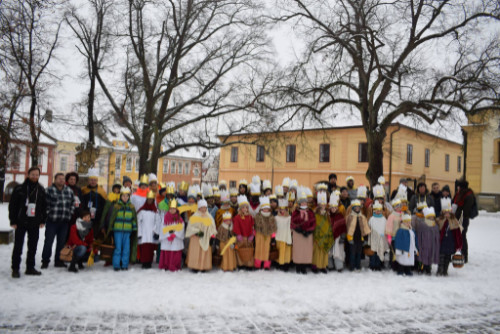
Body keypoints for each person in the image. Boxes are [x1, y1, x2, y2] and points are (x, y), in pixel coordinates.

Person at [9, 167, 47, 278]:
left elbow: (44, 206)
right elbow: (13, 206)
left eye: (37, 175)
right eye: (33, 174)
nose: (35, 177)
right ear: (28, 174)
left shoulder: (40, 189)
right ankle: (15, 268)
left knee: (33, 246)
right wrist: (13, 220)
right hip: (21, 221)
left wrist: (43, 220)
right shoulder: (20, 188)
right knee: (18, 246)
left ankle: (30, 267)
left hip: (34, 222)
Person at [41, 173, 75, 269]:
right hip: (52, 221)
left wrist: (70, 213)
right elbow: (45, 205)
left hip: (64, 221)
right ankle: (45, 261)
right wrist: (48, 213)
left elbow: (73, 204)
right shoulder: (49, 190)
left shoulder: (69, 191)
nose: (61, 180)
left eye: (63, 179)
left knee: (61, 242)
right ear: (55, 179)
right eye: (59, 179)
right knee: (48, 242)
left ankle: (59, 260)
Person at [107, 187, 138, 271]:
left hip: (127, 231)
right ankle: (116, 265)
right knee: (118, 248)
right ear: (120, 196)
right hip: (118, 230)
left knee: (126, 249)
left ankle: (124, 264)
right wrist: (111, 228)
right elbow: (112, 218)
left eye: (127, 196)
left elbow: (133, 219)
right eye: (123, 196)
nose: (125, 198)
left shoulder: (131, 207)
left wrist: (134, 228)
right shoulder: (117, 206)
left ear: (129, 197)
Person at [185, 199, 217, 272]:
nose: (203, 209)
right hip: (196, 238)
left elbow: (213, 227)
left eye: (205, 207)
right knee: (196, 252)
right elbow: (190, 227)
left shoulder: (209, 217)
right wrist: (196, 232)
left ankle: (203, 266)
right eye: (201, 207)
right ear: (199, 208)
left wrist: (212, 235)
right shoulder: (194, 216)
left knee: (204, 252)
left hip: (206, 237)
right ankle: (194, 266)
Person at [291, 187, 316, 274]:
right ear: (299, 203)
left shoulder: (310, 212)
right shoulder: (295, 212)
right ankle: (298, 266)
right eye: (302, 202)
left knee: (306, 251)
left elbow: (313, 222)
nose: (303, 203)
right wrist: (299, 230)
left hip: (307, 234)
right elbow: (293, 222)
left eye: (305, 202)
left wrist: (309, 231)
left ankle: (304, 267)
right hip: (298, 234)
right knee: (298, 251)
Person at [436, 198, 463, 276]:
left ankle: (445, 270)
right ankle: (440, 270)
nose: (447, 214)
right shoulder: (439, 220)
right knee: (441, 257)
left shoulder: (454, 221)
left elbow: (458, 233)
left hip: (450, 242)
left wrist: (459, 245)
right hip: (442, 242)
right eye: (445, 212)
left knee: (447, 258)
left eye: (448, 212)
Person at [81, 168, 108, 240]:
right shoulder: (83, 190)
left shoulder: (101, 191)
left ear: (97, 181)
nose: (93, 182)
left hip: (97, 219)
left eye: (94, 180)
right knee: (85, 236)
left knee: (94, 236)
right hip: (85, 218)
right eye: (91, 180)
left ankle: (93, 250)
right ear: (88, 181)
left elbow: (105, 206)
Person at [158, 199, 185, 271]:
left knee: (175, 252)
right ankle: (165, 265)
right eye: (171, 209)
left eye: (174, 209)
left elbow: (181, 227)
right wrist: (167, 235)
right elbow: (162, 227)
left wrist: (175, 234)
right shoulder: (165, 217)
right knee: (167, 251)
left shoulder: (179, 218)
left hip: (176, 239)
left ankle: (174, 266)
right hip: (167, 238)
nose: (172, 210)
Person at [136, 191, 161, 269]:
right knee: (144, 249)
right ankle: (144, 262)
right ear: (146, 200)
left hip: (151, 233)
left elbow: (158, 222)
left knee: (150, 249)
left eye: (151, 199)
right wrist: (139, 233)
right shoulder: (142, 210)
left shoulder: (155, 211)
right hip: (143, 233)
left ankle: (149, 262)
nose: (150, 201)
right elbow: (138, 222)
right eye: (148, 199)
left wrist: (157, 232)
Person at [453, 179, 474, 264]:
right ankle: (458, 253)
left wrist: (458, 209)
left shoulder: (468, 195)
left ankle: (464, 255)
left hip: (463, 219)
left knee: (462, 236)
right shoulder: (460, 194)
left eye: (458, 186)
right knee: (457, 236)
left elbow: (466, 209)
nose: (457, 187)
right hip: (457, 218)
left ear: (461, 187)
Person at [312, 190, 333, 274]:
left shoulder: (327, 213)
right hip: (317, 234)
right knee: (317, 251)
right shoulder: (314, 212)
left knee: (324, 251)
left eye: (324, 204)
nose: (323, 206)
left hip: (325, 234)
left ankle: (323, 266)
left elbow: (330, 223)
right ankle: (315, 266)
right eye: (321, 204)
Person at [346, 199, 370, 271]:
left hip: (360, 238)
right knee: (352, 253)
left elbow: (366, 227)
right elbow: (347, 227)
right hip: (352, 238)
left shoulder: (362, 217)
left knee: (359, 253)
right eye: (355, 207)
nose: (357, 209)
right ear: (353, 208)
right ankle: (352, 266)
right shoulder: (349, 217)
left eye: (358, 207)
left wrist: (366, 238)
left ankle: (358, 265)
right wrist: (349, 238)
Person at [415, 207, 440, 275]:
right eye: (430, 217)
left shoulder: (435, 225)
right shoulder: (423, 225)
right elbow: (419, 235)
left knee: (430, 256)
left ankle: (428, 268)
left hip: (432, 244)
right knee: (423, 256)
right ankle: (421, 268)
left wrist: (436, 243)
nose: (431, 218)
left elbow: (437, 236)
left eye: (432, 217)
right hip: (424, 244)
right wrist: (419, 244)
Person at [253, 196, 277, 270]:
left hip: (268, 235)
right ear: (261, 209)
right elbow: (255, 226)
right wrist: (254, 235)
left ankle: (266, 265)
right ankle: (257, 264)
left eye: (267, 209)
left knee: (267, 249)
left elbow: (273, 228)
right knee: (258, 250)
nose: (266, 210)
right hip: (259, 235)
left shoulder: (271, 217)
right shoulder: (258, 216)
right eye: (264, 209)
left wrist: (273, 237)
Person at [233, 195, 255, 268]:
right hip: (241, 237)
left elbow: (252, 226)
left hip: (248, 237)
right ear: (240, 208)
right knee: (240, 250)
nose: (245, 209)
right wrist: (238, 235)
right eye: (243, 207)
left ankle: (249, 264)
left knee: (249, 250)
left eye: (246, 207)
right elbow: (236, 226)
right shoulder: (237, 217)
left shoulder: (250, 217)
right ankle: (240, 264)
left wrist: (252, 234)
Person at [367, 201, 389, 271]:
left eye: (379, 211)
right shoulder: (372, 219)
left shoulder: (384, 219)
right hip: (374, 238)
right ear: (374, 211)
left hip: (381, 238)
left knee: (380, 251)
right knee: (373, 253)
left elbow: (385, 228)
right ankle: (372, 265)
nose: (378, 212)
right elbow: (369, 228)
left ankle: (378, 265)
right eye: (376, 211)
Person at [329, 192, 346, 272]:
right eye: (332, 208)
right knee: (329, 252)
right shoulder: (328, 216)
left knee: (338, 252)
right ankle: (330, 265)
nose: (333, 209)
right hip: (329, 236)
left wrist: (343, 235)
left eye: (335, 208)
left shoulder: (340, 216)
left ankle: (339, 266)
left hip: (338, 237)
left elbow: (343, 227)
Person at [274, 199, 292, 271]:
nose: (282, 211)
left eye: (284, 209)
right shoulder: (276, 218)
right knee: (279, 251)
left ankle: (286, 264)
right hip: (278, 237)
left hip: (286, 237)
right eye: (281, 209)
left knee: (286, 252)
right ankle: (279, 263)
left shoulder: (289, 218)